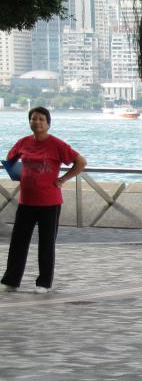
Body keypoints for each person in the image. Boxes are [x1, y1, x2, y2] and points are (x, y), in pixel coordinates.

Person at [2, 106, 86, 294]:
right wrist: (18, 174)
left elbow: (81, 162)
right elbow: (9, 160)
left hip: (50, 202)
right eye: (33, 118)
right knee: (18, 243)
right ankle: (11, 280)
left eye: (41, 119)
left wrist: (63, 179)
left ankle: (43, 283)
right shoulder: (23, 142)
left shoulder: (57, 144)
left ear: (48, 123)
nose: (37, 122)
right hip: (26, 202)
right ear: (29, 121)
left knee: (46, 244)